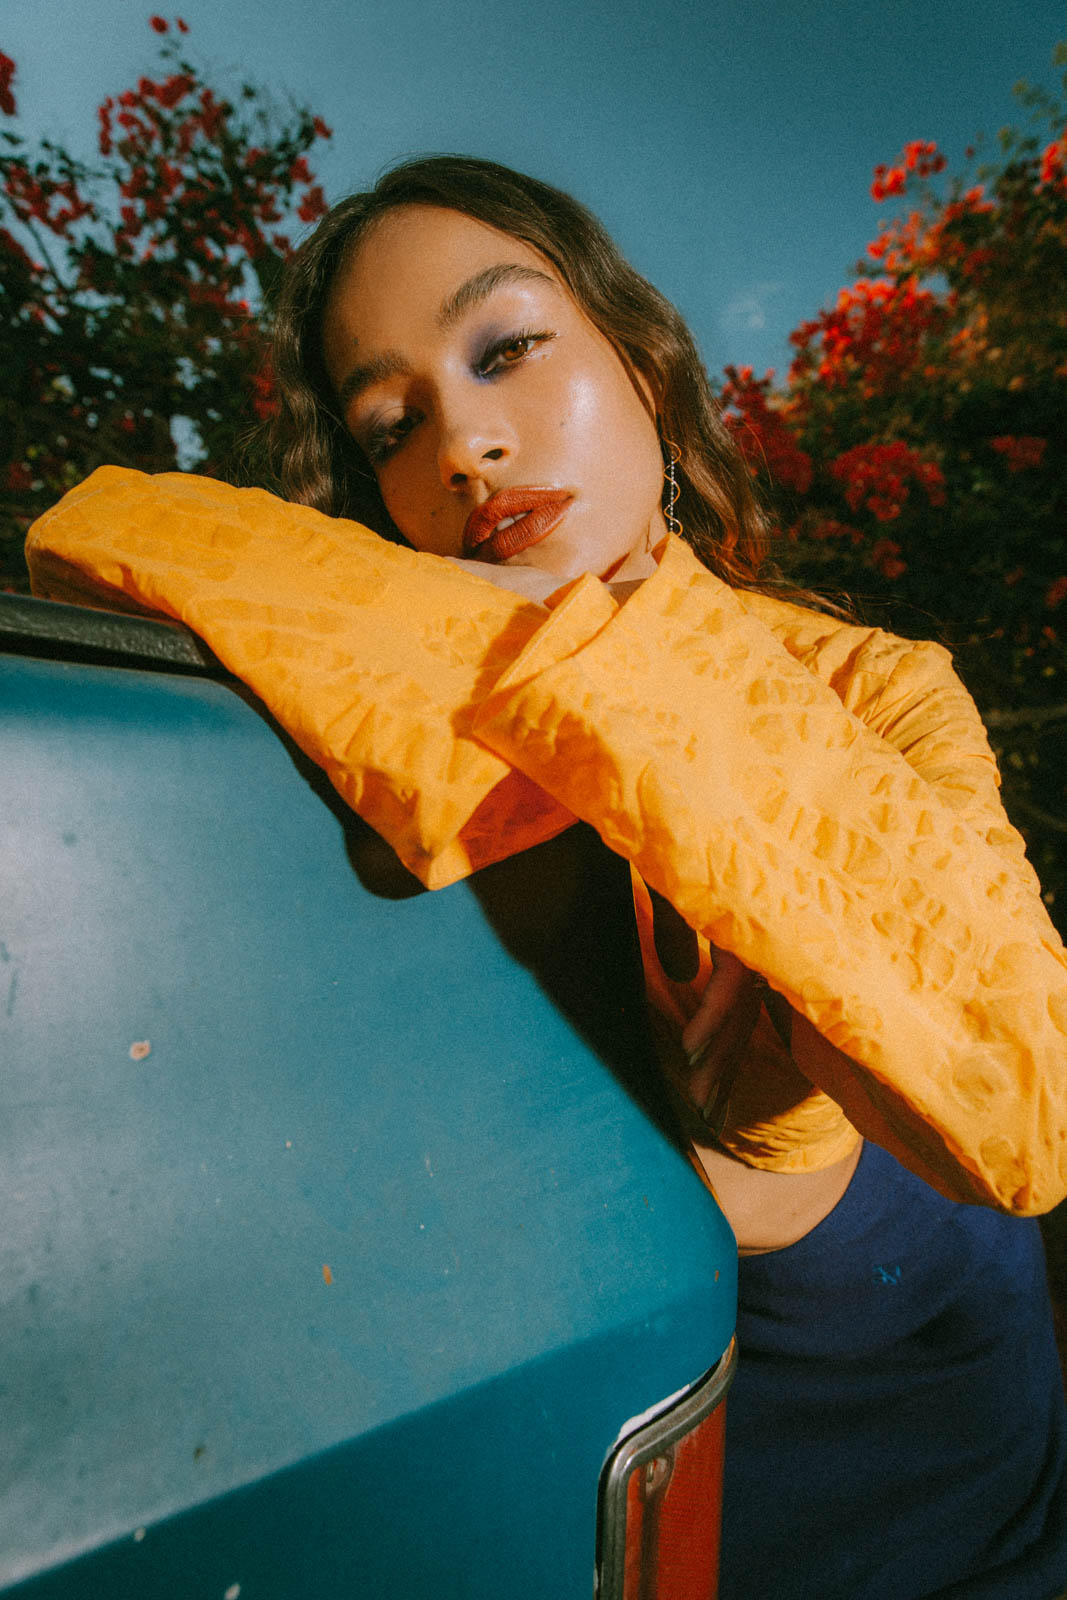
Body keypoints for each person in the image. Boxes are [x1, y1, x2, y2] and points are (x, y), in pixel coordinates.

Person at [26, 156, 1067, 1598]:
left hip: (982, 1506)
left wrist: (591, 653)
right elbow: (97, 530)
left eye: (506, 347)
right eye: (393, 426)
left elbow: (1022, 1089)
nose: (466, 446)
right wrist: (534, 625)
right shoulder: (412, 715)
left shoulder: (872, 688)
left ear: (642, 362)